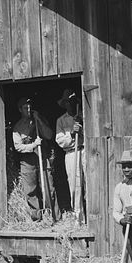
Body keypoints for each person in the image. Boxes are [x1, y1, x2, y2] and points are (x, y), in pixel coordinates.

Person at [12, 97, 56, 220]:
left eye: (30, 107)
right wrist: (33, 145)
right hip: (27, 160)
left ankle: (52, 216)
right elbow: (18, 147)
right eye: (25, 108)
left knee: (48, 187)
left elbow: (49, 135)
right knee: (30, 190)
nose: (29, 109)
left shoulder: (38, 120)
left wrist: (39, 120)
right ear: (20, 110)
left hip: (42, 156)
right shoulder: (17, 127)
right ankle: (37, 218)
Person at [54, 88, 84, 218]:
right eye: (67, 102)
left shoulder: (84, 116)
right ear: (64, 104)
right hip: (71, 153)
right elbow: (60, 141)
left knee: (88, 183)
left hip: (85, 150)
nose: (69, 104)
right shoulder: (61, 121)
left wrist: (82, 128)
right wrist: (72, 133)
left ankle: (91, 217)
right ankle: (78, 217)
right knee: (75, 185)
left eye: (72, 101)